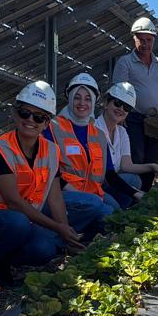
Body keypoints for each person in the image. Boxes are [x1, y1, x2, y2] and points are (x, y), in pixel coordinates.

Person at [0, 80, 86, 276]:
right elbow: (14, 202)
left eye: (39, 117)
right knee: (18, 223)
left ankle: (2, 259)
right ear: (15, 114)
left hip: (14, 221)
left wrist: (67, 234)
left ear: (46, 124)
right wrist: (59, 228)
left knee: (45, 249)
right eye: (25, 113)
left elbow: (56, 198)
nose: (31, 120)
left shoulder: (51, 151)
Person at [51, 73, 118, 238]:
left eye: (88, 99)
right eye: (77, 98)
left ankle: (83, 235)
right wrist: (78, 193)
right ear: (70, 98)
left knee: (117, 216)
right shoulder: (52, 128)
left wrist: (137, 193)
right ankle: (61, 235)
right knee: (105, 213)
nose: (82, 103)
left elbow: (110, 173)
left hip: (92, 194)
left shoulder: (99, 135)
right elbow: (48, 171)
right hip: (62, 194)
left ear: (94, 102)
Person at [112, 17, 158, 189]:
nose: (145, 44)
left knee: (151, 157)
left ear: (153, 40)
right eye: (141, 40)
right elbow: (118, 90)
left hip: (154, 120)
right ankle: (132, 192)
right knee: (136, 157)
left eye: (149, 40)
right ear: (134, 39)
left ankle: (145, 193)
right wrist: (120, 115)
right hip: (133, 118)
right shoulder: (125, 62)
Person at [97, 81, 158, 203]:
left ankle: (121, 208)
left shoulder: (122, 132)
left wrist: (152, 166)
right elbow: (106, 174)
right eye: (117, 103)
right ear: (106, 103)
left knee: (134, 180)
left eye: (127, 107)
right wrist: (136, 193)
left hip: (112, 181)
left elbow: (127, 165)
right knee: (111, 209)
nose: (121, 109)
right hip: (97, 184)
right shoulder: (94, 129)